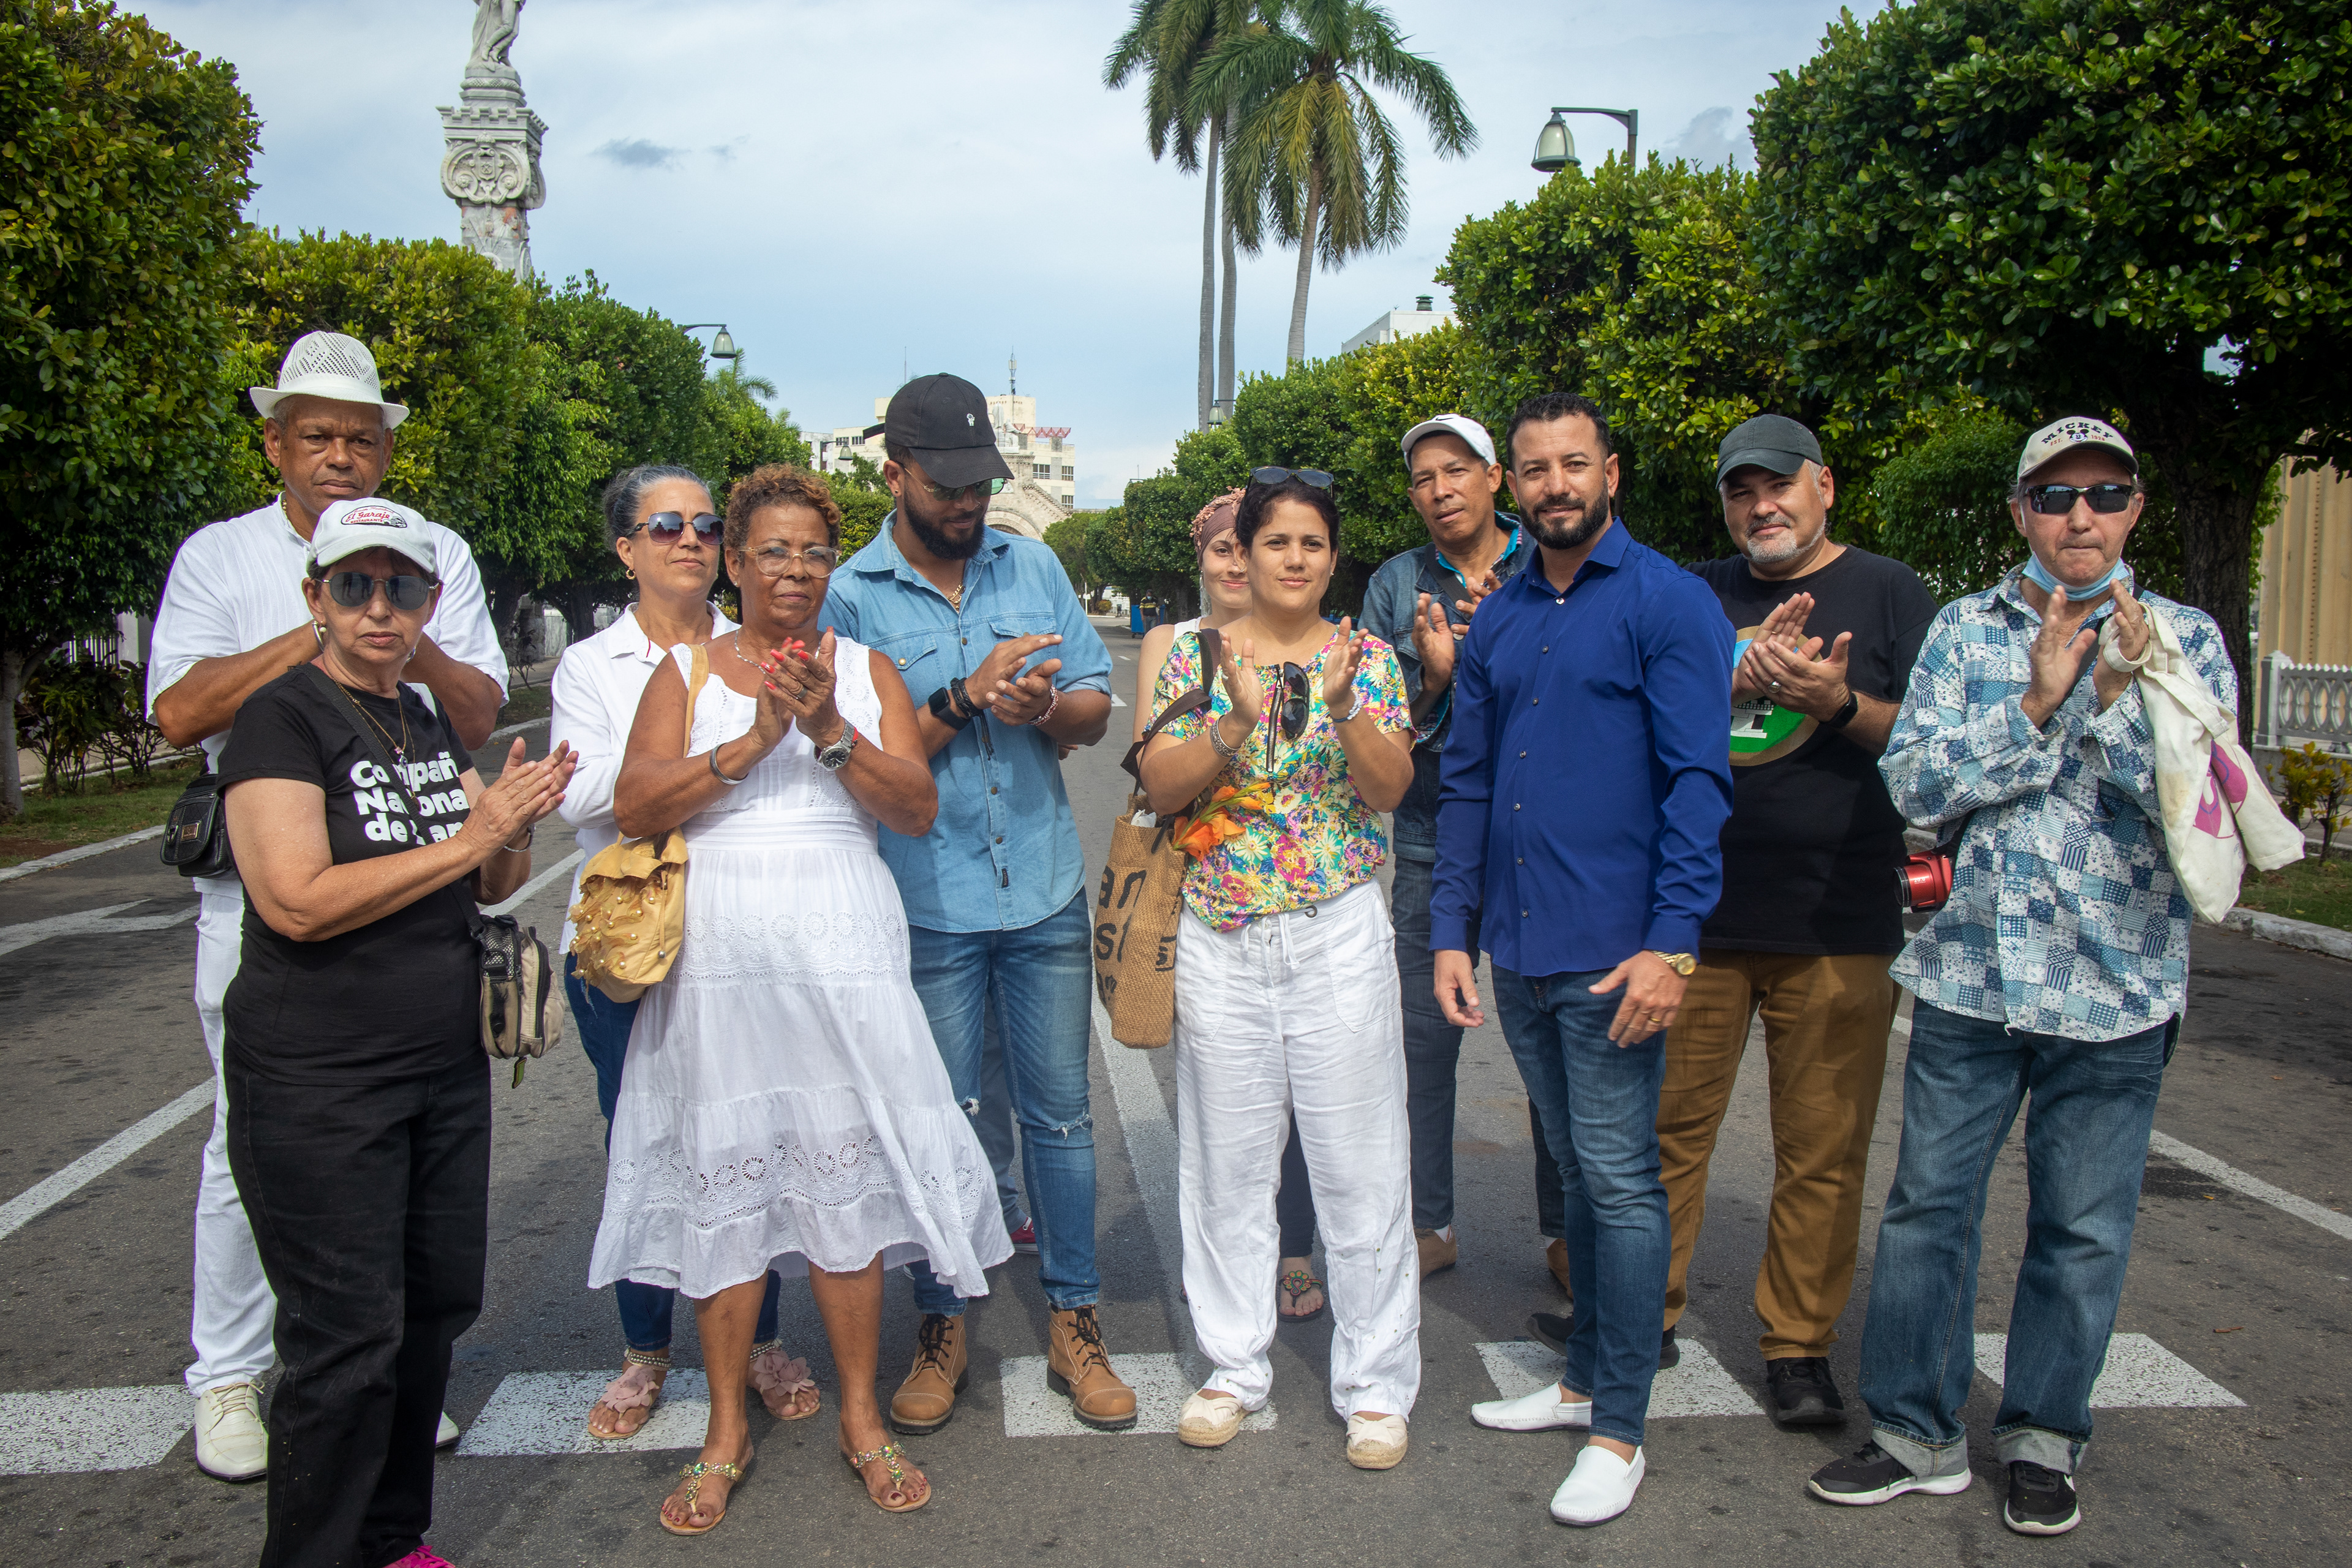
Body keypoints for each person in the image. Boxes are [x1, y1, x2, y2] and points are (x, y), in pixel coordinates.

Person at [1805, 418, 2216, 1539]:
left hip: (2118, 987)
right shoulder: (1963, 630)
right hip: (1971, 979)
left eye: (2105, 493)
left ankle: (2044, 1436)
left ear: (2135, 508)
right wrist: (2035, 704)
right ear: (2021, 512)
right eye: (2055, 495)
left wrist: (2121, 699)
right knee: (1929, 1210)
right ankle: (1914, 1431)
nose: (2081, 515)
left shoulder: (2184, 640)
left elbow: (2198, 809)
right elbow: (1916, 784)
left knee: (2082, 1229)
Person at [595, 465, 1008, 1528]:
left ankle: (862, 1418)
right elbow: (636, 803)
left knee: (845, 1187)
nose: (794, 569)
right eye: (772, 551)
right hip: (718, 966)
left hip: (843, 952)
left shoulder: (865, 669)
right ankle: (724, 1429)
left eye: (814, 552)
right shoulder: (686, 671)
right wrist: (748, 743)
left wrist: (828, 730)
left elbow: (913, 808)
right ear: (734, 562)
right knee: (725, 1190)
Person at [146, 332, 507, 1483]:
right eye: (317, 437)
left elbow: (477, 711)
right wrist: (326, 625)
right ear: (275, 445)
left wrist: (395, 613)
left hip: (416, 885)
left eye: (361, 438)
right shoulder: (222, 554)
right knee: (247, 1144)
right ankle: (230, 1375)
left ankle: (381, 1375)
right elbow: (180, 712)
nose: (340, 456)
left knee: (406, 1158)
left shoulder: (434, 551)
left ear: (388, 448)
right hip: (268, 884)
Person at [216, 500, 574, 1568]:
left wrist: (511, 826)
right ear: (315, 597)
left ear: (429, 602)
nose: (380, 608)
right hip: (321, 1081)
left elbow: (489, 876)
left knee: (431, 1312)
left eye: (402, 587)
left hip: (442, 1065)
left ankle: (391, 1537)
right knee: (346, 1341)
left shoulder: (419, 714)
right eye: (355, 585)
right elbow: (295, 901)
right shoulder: (281, 719)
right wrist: (475, 835)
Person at [1435, 393, 1732, 1526]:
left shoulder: (1669, 600)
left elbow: (1699, 783)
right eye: (1535, 468)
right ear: (1511, 487)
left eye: (1575, 464)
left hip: (1618, 954)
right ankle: (1580, 1386)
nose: (1555, 484)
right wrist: (1451, 932)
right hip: (1521, 947)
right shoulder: (1502, 615)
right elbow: (1468, 782)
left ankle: (1619, 1428)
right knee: (1575, 1170)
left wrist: (1673, 944)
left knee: (1616, 1180)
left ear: (1611, 473)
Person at [824, 373, 1136, 1436]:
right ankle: (942, 1323)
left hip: (1042, 886)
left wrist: (1044, 705)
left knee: (1061, 1118)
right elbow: (862, 760)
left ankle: (1076, 1322)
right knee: (941, 1122)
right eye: (946, 486)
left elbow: (1092, 707)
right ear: (895, 475)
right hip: (928, 900)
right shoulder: (852, 597)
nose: (967, 504)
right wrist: (963, 695)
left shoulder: (1031, 563)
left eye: (980, 486)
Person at [1643, 415, 1941, 1424]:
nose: (1761, 507)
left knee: (1822, 1151)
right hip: (1693, 917)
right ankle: (1643, 1315)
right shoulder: (1693, 593)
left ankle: (1799, 1347)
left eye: (1779, 486)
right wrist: (1718, 683)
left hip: (1839, 920)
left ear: (1825, 488)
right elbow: (1635, 715)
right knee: (1664, 1134)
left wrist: (1836, 702)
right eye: (1741, 491)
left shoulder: (1891, 593)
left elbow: (1933, 747)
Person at [1139, 470, 1420, 1469]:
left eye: (1311, 543)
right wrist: (1230, 721)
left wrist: (1344, 711)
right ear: (1244, 555)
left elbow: (1389, 789)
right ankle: (1232, 1369)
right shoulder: (1194, 656)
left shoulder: (1367, 658)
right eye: (1274, 542)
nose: (1293, 559)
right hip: (1222, 937)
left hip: (1334, 933)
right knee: (1227, 1169)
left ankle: (1375, 1386)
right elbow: (1161, 784)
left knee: (1361, 1168)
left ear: (1333, 558)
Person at [548, 464, 809, 1442]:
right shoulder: (592, 666)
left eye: (705, 526)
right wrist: (698, 752)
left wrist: (676, 765)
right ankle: (646, 1349)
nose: (690, 541)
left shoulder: (763, 647)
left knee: (757, 1137)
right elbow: (586, 796)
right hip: (633, 942)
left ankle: (763, 1342)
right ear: (628, 549)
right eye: (666, 526)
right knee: (643, 1140)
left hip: (749, 934)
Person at [1134, 491, 1325, 1324]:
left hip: (1305, 902)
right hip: (1203, 886)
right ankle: (1221, 1263)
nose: (1239, 565)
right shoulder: (1173, 646)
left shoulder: (1313, 643)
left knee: (1305, 1092)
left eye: (1251, 548)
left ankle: (1292, 1250)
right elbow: (1152, 766)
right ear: (1205, 559)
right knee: (1224, 1099)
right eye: (1224, 549)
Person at [1359, 412, 1536, 1285]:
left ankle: (1564, 1231)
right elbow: (1374, 719)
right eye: (1425, 478)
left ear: (1495, 477)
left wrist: (1505, 644)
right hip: (1433, 835)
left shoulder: (1549, 562)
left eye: (1457, 471)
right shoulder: (1396, 584)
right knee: (1423, 1042)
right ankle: (1427, 1221)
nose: (1441, 491)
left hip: (1544, 838)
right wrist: (1433, 675)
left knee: (1552, 1046)